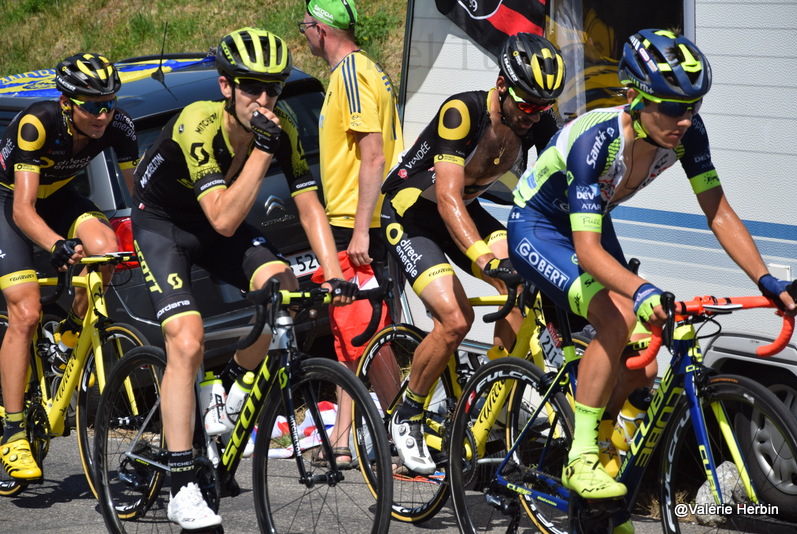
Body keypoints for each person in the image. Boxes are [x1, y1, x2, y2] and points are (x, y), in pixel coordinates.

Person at [507, 28, 797, 516]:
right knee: (618, 317)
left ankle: (603, 473)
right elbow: (588, 250)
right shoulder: (597, 142)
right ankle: (579, 456)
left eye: (694, 107)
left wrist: (767, 282)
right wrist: (642, 289)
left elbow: (719, 213)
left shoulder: (687, 134)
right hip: (537, 226)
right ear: (634, 97)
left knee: (646, 355)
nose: (684, 120)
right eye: (671, 107)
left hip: (589, 221)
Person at [131, 27, 356, 529]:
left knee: (287, 290)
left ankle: (231, 391)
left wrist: (337, 273)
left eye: (273, 88)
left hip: (215, 222)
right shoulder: (197, 124)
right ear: (225, 86)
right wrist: (260, 149)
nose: (265, 99)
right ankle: (181, 486)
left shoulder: (286, 122)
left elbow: (308, 202)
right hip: (165, 225)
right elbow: (225, 220)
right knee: (186, 344)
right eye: (252, 87)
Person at [381, 32, 566, 474]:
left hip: (466, 209)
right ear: (502, 85)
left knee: (526, 283)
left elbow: (560, 189)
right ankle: (408, 412)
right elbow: (446, 197)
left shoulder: (535, 117)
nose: (531, 117)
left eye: (541, 108)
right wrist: (485, 260)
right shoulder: (462, 111)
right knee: (455, 319)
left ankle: (490, 391)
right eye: (525, 105)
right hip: (411, 214)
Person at [0, 53, 138, 481]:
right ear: (66, 102)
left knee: (106, 247)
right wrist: (57, 246)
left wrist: (155, 236)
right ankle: (12, 435)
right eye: (93, 105)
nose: (103, 114)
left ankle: (71, 334)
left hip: (58, 198)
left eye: (110, 103)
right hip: (8, 205)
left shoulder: (119, 125)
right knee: (25, 311)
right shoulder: (36, 124)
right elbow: (23, 209)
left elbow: (141, 200)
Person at [300, 0, 404, 468]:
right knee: (350, 336)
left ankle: (408, 434)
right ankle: (342, 442)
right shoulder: (368, 71)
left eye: (305, 27)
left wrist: (361, 229)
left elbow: (375, 155)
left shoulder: (350, 75)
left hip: (354, 225)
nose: (303, 35)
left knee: (366, 335)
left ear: (321, 29)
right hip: (354, 222)